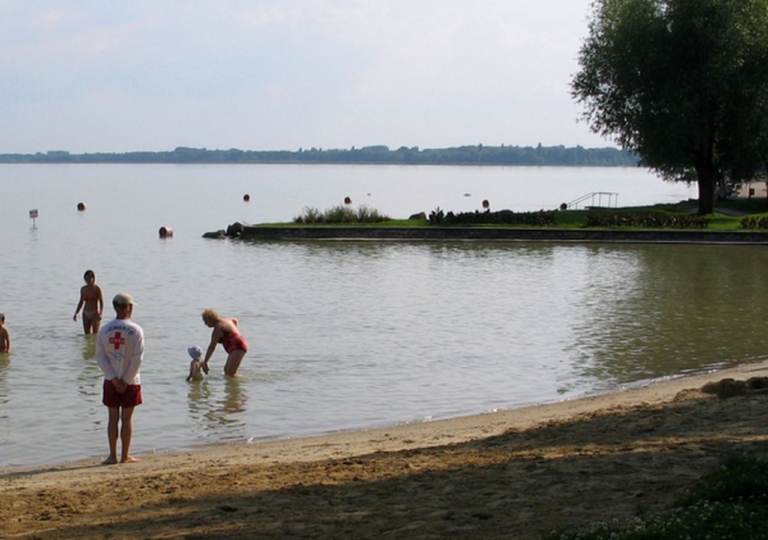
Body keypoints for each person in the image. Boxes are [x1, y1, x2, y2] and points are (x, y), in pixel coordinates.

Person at [96, 293, 144, 464]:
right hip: (131, 381)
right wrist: (126, 380)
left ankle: (112, 455)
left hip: (111, 380)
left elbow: (100, 357)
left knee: (112, 418)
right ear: (128, 308)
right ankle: (125, 455)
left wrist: (114, 379)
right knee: (127, 419)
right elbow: (137, 358)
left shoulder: (104, 330)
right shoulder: (136, 330)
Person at [201, 309, 248, 377]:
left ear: (210, 319)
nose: (205, 324)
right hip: (238, 344)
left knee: (231, 373)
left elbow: (212, 347)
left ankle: (241, 383)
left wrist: (205, 361)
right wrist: (235, 332)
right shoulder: (226, 320)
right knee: (226, 371)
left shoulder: (217, 330)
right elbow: (235, 320)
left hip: (238, 346)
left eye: (205, 321)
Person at [73, 269, 104, 334]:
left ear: (93, 278)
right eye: (86, 278)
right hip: (85, 313)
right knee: (87, 334)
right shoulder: (83, 289)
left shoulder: (97, 289)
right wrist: (76, 313)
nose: (88, 280)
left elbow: (101, 302)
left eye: (90, 278)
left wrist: (100, 313)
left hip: (95, 312)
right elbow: (81, 302)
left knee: (95, 334)